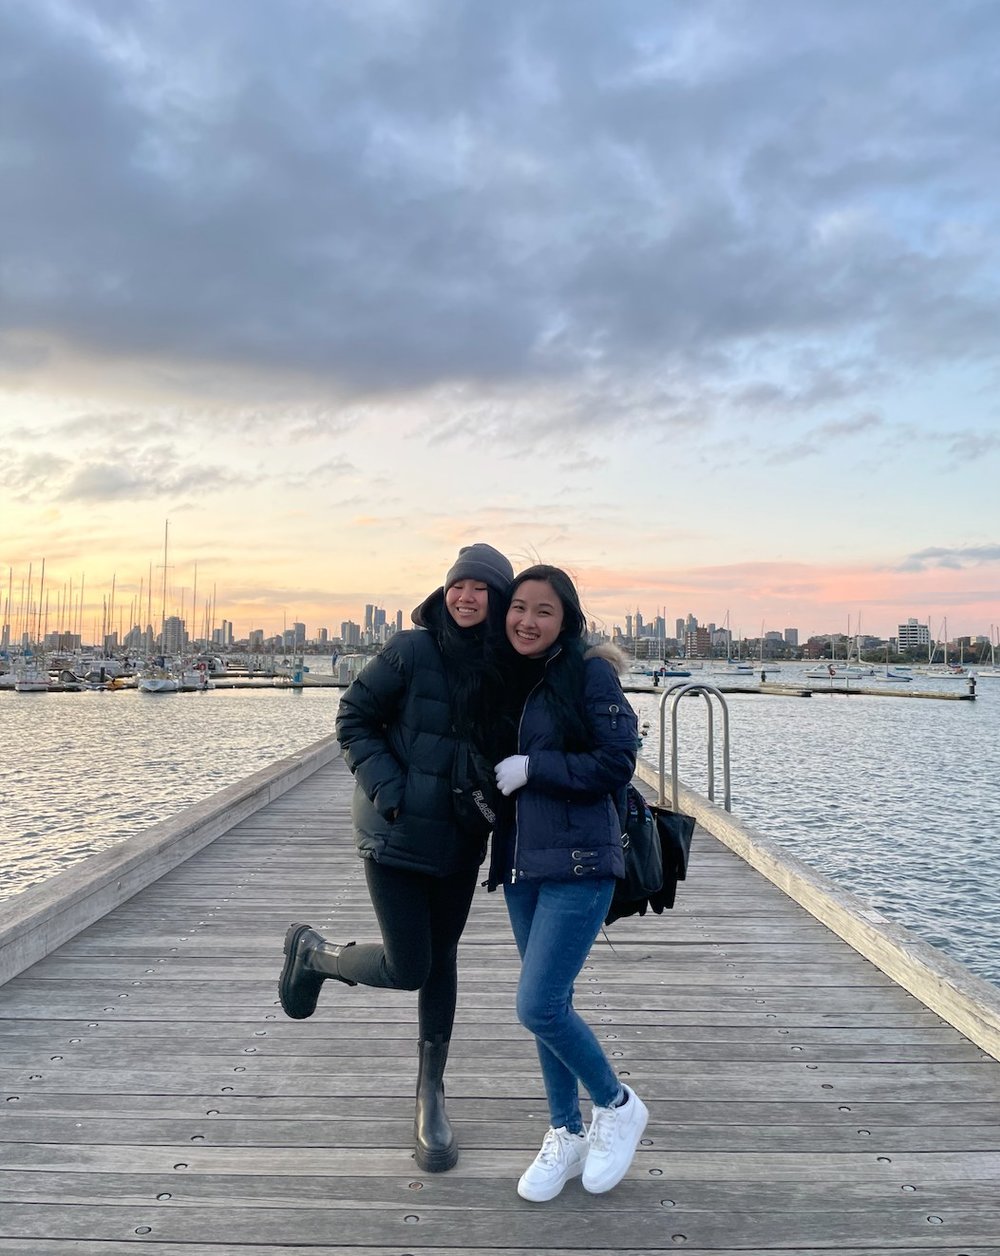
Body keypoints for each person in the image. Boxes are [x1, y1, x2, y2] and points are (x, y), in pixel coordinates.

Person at [277, 542, 514, 1172]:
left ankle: (430, 1093)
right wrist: (391, 790)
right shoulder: (412, 650)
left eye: (481, 589)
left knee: (443, 961)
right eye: (459, 585)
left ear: (499, 599)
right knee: (411, 965)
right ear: (445, 590)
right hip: (397, 835)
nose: (466, 598)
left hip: (462, 840)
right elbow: (354, 716)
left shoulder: (505, 664)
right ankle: (314, 955)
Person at [487, 564, 648, 1202]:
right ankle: (565, 1130)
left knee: (538, 1004)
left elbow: (618, 760)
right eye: (518, 607)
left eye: (543, 610)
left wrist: (536, 767)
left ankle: (618, 1103)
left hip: (581, 864)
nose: (526, 620)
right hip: (524, 866)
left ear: (567, 619)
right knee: (550, 1008)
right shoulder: (511, 676)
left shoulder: (589, 669)